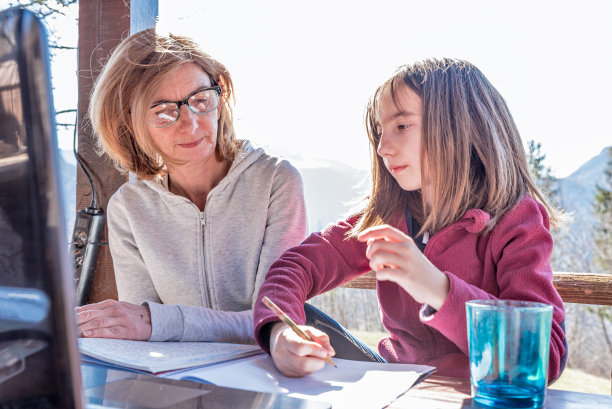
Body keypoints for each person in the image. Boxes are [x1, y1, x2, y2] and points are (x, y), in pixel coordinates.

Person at [253, 58, 567, 380]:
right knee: (301, 315)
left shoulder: (517, 220)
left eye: (402, 126)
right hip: (395, 388)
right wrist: (280, 333)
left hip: (477, 396)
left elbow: (545, 358)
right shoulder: (384, 218)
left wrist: (437, 289)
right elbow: (297, 266)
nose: (383, 148)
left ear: (461, 127)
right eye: (379, 132)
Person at [75, 28, 308, 344]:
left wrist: (165, 322)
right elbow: (142, 331)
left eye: (200, 100)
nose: (191, 123)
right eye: (163, 110)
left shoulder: (276, 182)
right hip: (175, 382)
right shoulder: (129, 208)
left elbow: (274, 320)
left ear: (220, 94)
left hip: (264, 379)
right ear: (131, 121)